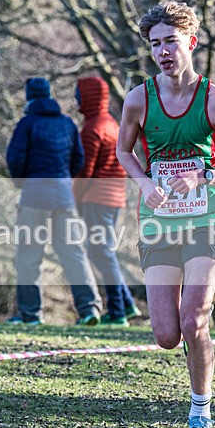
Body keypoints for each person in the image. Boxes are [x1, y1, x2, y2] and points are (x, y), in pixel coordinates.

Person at [116, 1, 215, 428]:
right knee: (165, 334)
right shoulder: (139, 98)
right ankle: (196, 384)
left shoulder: (214, 99)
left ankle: (201, 411)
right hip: (159, 220)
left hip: (206, 219)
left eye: (171, 42)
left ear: (190, 42)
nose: (163, 51)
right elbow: (123, 152)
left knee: (194, 321)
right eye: (155, 44)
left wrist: (204, 175)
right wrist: (142, 182)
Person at [5, 77, 103, 326]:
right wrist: (64, 179)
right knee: (74, 254)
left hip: (35, 194)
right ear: (49, 96)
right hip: (63, 195)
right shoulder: (67, 123)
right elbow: (78, 159)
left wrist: (22, 182)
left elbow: (14, 158)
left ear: (29, 98)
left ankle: (31, 315)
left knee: (29, 255)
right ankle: (90, 309)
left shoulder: (27, 123)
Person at [72, 76, 141, 326]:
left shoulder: (92, 129)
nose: (76, 99)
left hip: (96, 198)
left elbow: (84, 172)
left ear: (88, 97)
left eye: (78, 94)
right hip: (114, 198)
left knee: (101, 253)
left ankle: (119, 310)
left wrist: (74, 199)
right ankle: (126, 305)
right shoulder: (112, 123)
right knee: (104, 252)